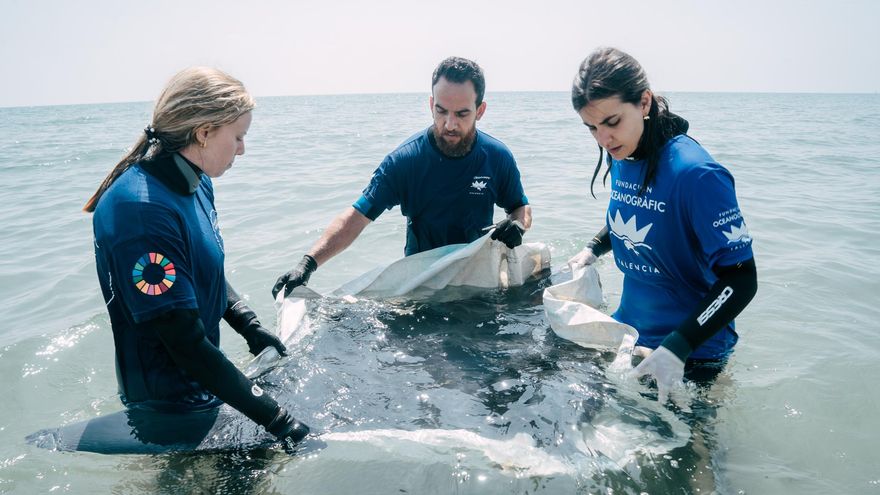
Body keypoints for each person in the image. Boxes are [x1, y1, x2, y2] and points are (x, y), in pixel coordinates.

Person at [83, 67, 309, 446]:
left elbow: (201, 266)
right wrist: (280, 420)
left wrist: (248, 324)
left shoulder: (196, 182)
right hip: (167, 408)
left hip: (204, 385)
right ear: (203, 133)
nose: (242, 149)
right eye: (238, 137)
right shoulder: (140, 211)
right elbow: (184, 343)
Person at [567, 48, 758, 404]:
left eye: (612, 122)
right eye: (592, 127)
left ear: (644, 102)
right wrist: (593, 248)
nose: (604, 139)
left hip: (692, 352)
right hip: (629, 333)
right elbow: (634, 215)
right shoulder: (624, 150)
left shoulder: (698, 175)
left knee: (685, 441)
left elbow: (742, 279)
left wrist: (678, 346)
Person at [272, 56, 532, 299]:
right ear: (431, 105)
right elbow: (356, 217)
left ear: (480, 110)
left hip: (477, 281)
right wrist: (308, 263)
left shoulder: (497, 156)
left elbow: (520, 207)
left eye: (461, 114)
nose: (450, 124)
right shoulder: (405, 161)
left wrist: (518, 225)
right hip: (423, 285)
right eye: (441, 111)